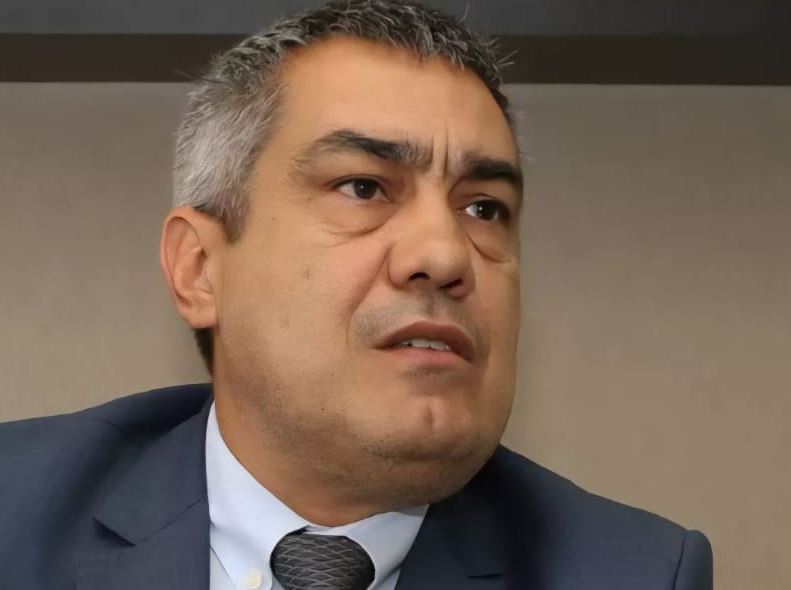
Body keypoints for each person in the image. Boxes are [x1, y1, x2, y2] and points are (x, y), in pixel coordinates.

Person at [0, 1, 712, 588]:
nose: (444, 255)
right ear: (200, 269)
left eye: (483, 208)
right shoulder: (16, 515)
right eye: (364, 187)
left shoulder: (633, 573)